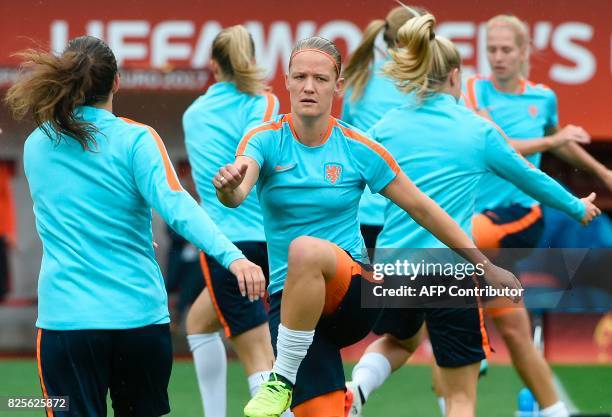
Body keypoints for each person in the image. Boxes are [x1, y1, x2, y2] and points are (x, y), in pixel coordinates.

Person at [213, 35, 522, 417]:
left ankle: (279, 380)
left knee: (305, 250)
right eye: (301, 77)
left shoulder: (359, 147)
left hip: (353, 292)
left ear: (338, 86)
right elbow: (239, 190)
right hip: (291, 305)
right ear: (288, 82)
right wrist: (228, 190)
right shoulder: (263, 140)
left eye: (321, 79)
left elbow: (424, 209)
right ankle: (318, 390)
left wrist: (485, 267)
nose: (309, 86)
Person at [343, 9, 601, 417]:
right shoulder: (476, 130)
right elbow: (531, 177)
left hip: (392, 263)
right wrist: (576, 206)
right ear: (454, 77)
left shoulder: (388, 125)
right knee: (461, 396)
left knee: (400, 341)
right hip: (449, 268)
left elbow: (345, 175)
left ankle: (357, 387)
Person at [5, 35, 264, 417]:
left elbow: (82, 205)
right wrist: (234, 257)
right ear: (116, 82)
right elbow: (178, 208)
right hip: (139, 321)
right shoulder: (137, 139)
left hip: (67, 325)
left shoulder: (37, 144)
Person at [464, 14, 612, 416]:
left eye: (506, 50)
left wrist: (600, 172)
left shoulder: (542, 98)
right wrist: (554, 138)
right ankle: (546, 406)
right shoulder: (474, 89)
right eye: (491, 49)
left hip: (520, 216)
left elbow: (559, 143)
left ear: (524, 52)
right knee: (513, 327)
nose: (497, 57)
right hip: (477, 216)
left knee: (462, 243)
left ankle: (471, 335)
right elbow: (501, 144)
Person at [182, 25, 287, 417]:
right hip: (266, 239)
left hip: (226, 246)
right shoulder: (264, 103)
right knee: (198, 323)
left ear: (213, 64)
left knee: (258, 351)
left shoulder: (194, 114)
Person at [341, 5, 418, 251]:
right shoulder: (425, 85)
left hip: (361, 215)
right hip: (405, 215)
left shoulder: (359, 77)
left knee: (365, 289)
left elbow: (347, 140)